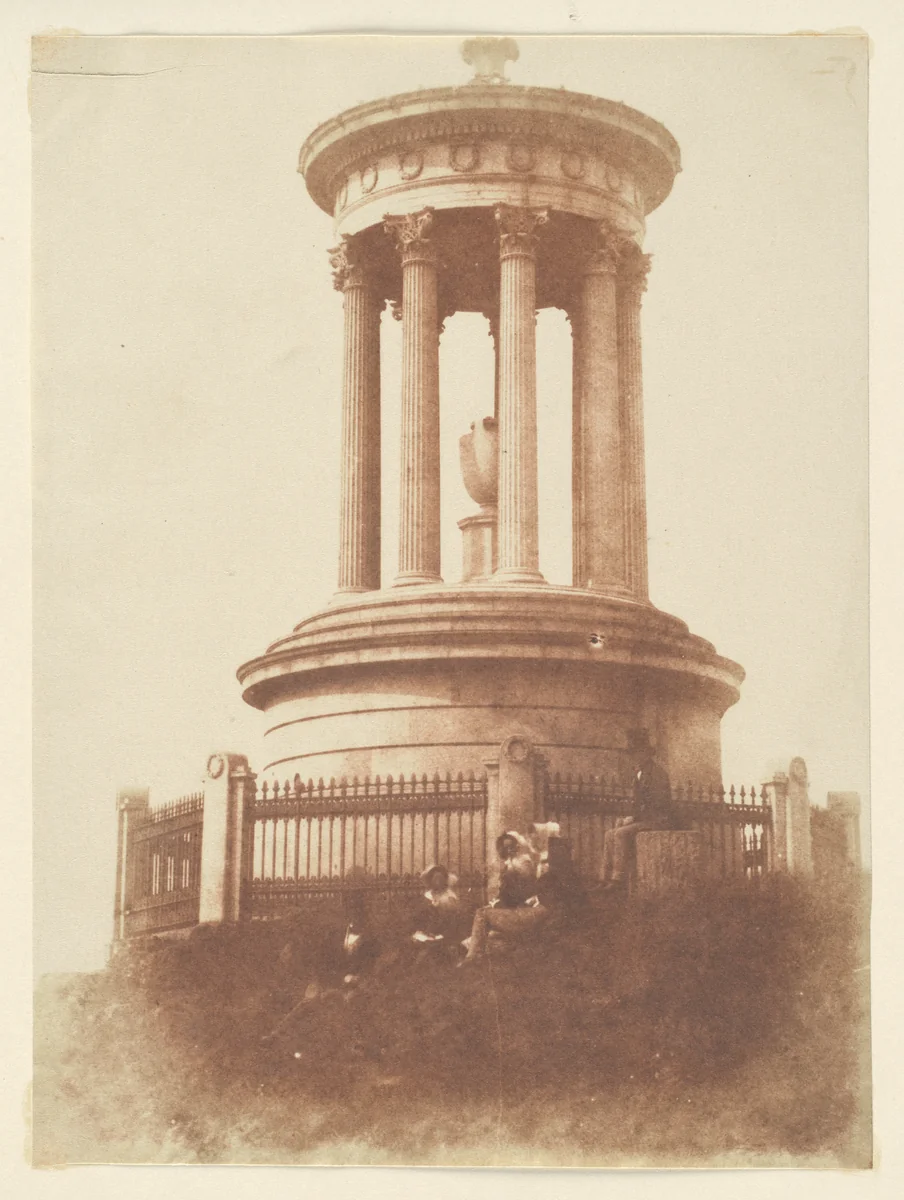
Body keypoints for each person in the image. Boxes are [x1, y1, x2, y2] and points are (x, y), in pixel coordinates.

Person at [459, 836, 587, 964]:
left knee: (482, 914)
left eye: (555, 855)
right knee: (496, 937)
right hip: (535, 911)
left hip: (539, 913)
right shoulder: (563, 876)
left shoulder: (551, 874)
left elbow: (539, 895)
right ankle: (471, 950)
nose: (550, 861)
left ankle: (472, 958)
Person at [599, 731, 676, 890]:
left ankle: (617, 879)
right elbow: (637, 803)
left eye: (638, 753)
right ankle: (603, 878)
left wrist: (634, 818)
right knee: (609, 833)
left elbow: (659, 803)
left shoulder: (658, 774)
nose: (635, 757)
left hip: (659, 820)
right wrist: (628, 817)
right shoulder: (639, 774)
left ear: (646, 753)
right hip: (645, 819)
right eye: (633, 754)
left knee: (620, 833)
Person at [410, 864, 464, 949]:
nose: (437, 882)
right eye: (434, 879)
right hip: (427, 932)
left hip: (445, 933)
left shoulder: (449, 897)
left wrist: (439, 935)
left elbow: (453, 920)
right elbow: (420, 917)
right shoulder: (428, 895)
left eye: (440, 879)